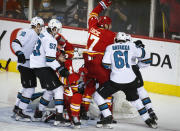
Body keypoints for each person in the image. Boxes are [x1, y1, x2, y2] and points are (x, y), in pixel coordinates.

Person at [93, 32, 157, 129]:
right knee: (135, 100)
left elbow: (105, 64)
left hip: (115, 81)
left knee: (97, 96)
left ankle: (107, 116)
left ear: (116, 39)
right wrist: (140, 47)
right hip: (131, 80)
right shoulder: (131, 46)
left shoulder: (110, 47)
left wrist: (113, 67)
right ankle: (148, 120)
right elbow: (144, 54)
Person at [30, 19, 69, 126]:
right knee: (58, 89)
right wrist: (61, 69)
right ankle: (59, 117)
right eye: (57, 29)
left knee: (50, 90)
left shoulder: (42, 34)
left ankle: (38, 114)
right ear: (53, 28)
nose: (57, 31)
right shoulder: (51, 40)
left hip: (36, 65)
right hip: (42, 67)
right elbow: (50, 60)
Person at [81, 0, 116, 120]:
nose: (110, 27)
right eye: (109, 25)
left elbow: (93, 13)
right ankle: (106, 114)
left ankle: (83, 111)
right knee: (107, 87)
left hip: (87, 63)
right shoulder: (110, 35)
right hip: (98, 64)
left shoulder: (92, 27)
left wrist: (102, 4)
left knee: (89, 85)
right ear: (106, 25)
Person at [11, 16, 44, 121]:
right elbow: (15, 42)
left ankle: (17, 107)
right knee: (30, 88)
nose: (41, 28)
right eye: (40, 26)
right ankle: (20, 111)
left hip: (29, 65)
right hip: (25, 64)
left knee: (26, 87)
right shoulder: (28, 32)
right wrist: (19, 52)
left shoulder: (37, 35)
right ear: (35, 25)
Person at [126, 35, 158, 122]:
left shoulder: (114, 47)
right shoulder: (133, 47)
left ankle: (105, 112)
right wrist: (137, 66)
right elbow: (147, 60)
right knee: (140, 90)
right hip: (134, 71)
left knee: (133, 97)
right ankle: (150, 110)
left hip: (120, 74)